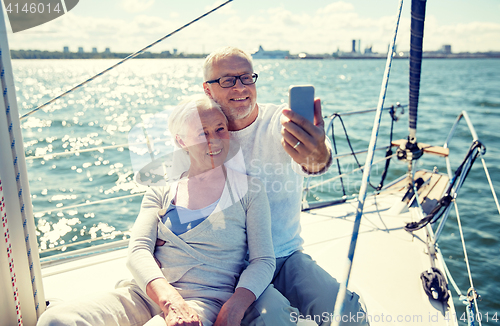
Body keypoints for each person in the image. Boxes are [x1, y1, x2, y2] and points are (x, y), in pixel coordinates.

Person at [37, 95, 288, 326]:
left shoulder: (249, 190)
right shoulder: (161, 190)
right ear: (181, 141)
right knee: (56, 319)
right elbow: (138, 251)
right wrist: (170, 301)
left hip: (205, 301)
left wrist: (234, 306)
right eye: (203, 133)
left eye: (220, 129)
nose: (214, 140)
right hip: (147, 294)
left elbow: (262, 260)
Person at [201, 46, 368, 325]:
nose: (240, 87)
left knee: (347, 312)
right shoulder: (201, 131)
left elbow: (317, 160)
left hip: (286, 256)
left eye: (247, 77)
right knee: (273, 317)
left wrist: (317, 156)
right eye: (228, 80)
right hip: (231, 266)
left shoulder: (282, 122)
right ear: (207, 90)